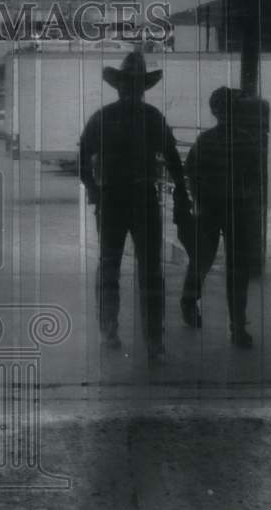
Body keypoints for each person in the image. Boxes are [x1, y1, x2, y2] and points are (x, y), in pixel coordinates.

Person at [78, 51, 191, 358]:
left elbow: (82, 160)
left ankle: (115, 332)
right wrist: (181, 193)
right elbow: (174, 161)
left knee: (114, 267)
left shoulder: (103, 117)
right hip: (138, 201)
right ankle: (151, 340)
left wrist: (95, 192)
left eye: (133, 85)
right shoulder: (152, 117)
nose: (131, 91)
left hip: (118, 200)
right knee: (146, 271)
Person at [180, 86, 266, 348]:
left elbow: (191, 173)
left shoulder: (206, 141)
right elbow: (256, 178)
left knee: (205, 261)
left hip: (217, 208)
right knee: (227, 267)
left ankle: (193, 303)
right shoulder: (244, 140)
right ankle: (236, 326)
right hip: (229, 209)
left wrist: (200, 200)